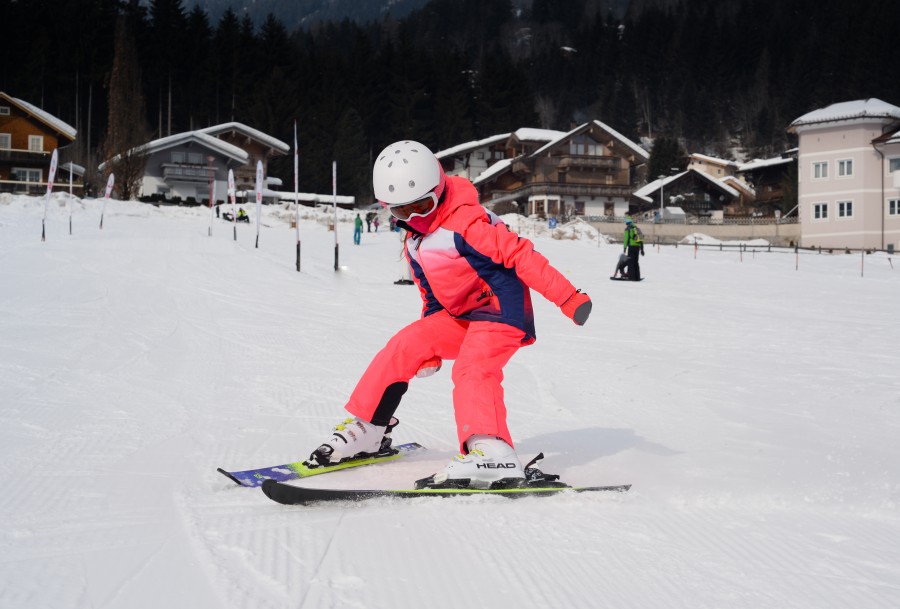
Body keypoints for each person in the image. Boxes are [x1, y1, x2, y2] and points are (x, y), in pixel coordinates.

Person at [307, 140, 592, 488]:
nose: (415, 218)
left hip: (500, 310)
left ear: (439, 190)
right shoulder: (414, 241)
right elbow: (432, 294)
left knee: (473, 366)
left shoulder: (466, 223)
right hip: (460, 317)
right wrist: (428, 343)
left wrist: (568, 298)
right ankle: (370, 428)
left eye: (423, 206)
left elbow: (521, 256)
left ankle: (491, 451)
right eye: (402, 212)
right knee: (404, 344)